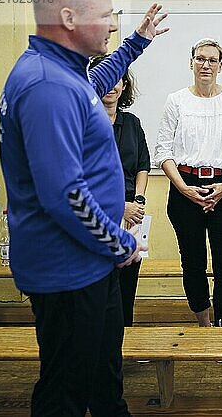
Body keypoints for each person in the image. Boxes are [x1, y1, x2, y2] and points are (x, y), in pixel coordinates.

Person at [0, 0, 168, 417]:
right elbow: (65, 195)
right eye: (106, 15)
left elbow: (95, 84)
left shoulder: (62, 75)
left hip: (87, 263)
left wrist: (136, 43)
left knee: (102, 376)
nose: (113, 24)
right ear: (69, 18)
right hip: (69, 269)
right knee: (65, 394)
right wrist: (120, 243)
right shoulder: (48, 86)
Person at [154, 38, 222, 328]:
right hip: (185, 188)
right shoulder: (176, 101)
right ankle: (204, 324)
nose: (205, 65)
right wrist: (183, 188)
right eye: (200, 59)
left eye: (212, 60)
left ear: (220, 66)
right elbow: (163, 152)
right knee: (193, 263)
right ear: (191, 63)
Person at [89, 55, 150, 327]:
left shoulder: (133, 123)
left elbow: (143, 166)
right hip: (97, 214)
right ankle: (103, 351)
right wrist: (118, 207)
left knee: (128, 283)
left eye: (118, 78)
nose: (112, 86)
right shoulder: (84, 124)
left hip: (131, 215)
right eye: (105, 78)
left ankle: (126, 344)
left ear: (124, 84)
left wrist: (137, 201)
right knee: (102, 283)